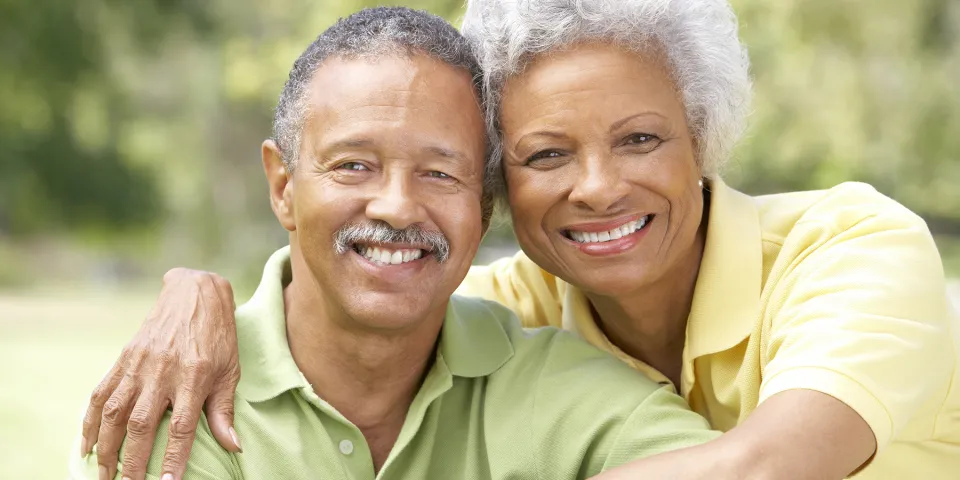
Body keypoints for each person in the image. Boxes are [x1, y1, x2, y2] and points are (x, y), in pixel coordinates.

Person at [80, 0, 960, 479]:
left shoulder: (851, 246)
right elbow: (367, 279)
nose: (599, 186)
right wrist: (196, 293)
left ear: (705, 139)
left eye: (641, 139)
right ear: (501, 188)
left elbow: (769, 468)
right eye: (546, 153)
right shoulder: (505, 315)